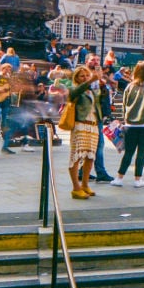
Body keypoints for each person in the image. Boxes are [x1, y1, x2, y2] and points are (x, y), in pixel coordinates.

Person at [112, 60, 144, 188]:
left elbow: (124, 105)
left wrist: (126, 119)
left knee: (128, 153)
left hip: (130, 125)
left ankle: (119, 178)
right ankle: (138, 180)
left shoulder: (129, 86)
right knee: (141, 154)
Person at [65, 66, 101, 199]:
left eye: (87, 75)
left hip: (93, 125)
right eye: (82, 76)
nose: (85, 78)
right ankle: (76, 187)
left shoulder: (91, 91)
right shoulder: (75, 89)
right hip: (80, 125)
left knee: (90, 156)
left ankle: (85, 184)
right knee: (76, 155)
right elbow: (73, 94)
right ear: (76, 78)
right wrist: (90, 81)